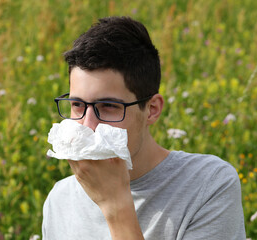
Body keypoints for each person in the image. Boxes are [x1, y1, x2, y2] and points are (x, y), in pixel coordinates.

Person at [42, 16, 246, 240]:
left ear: (152, 109)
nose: (88, 125)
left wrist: (116, 205)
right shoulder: (60, 199)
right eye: (77, 105)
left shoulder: (208, 185)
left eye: (108, 106)